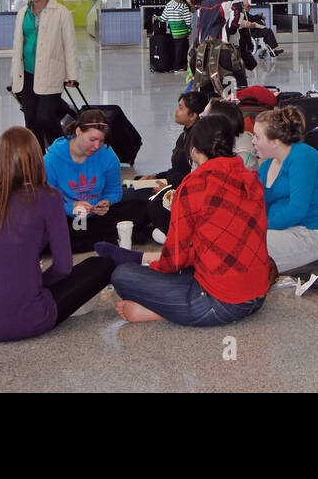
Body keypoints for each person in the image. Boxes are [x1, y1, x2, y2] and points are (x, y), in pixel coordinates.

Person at [103, 115, 271, 328]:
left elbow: (174, 260)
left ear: (193, 150)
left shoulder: (195, 185)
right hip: (258, 294)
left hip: (220, 303)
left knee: (123, 275)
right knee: (191, 268)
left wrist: (153, 270)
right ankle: (172, 300)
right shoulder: (251, 179)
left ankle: (161, 311)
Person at [0, 127, 116, 342]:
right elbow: (63, 267)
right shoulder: (48, 197)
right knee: (101, 265)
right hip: (23, 320)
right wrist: (37, 281)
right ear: (37, 158)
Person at [44, 109, 152, 251]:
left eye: (101, 141)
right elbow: (48, 201)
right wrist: (72, 207)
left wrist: (107, 202)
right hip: (68, 217)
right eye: (92, 140)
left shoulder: (108, 156)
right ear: (78, 131)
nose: (97, 146)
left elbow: (114, 191)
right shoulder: (52, 160)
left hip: (98, 216)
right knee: (45, 229)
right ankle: (118, 237)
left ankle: (95, 239)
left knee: (144, 208)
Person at [252, 107, 318, 272]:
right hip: (282, 231)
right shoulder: (267, 165)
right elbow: (258, 205)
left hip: (313, 233)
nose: (253, 141)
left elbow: (297, 209)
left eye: (257, 136)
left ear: (274, 141)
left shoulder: (303, 157)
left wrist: (261, 226)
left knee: (246, 245)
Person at [9, 0, 78, 152]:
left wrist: (72, 75)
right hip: (26, 74)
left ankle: (60, 153)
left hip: (51, 72)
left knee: (46, 117)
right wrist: (14, 76)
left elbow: (69, 45)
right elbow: (18, 47)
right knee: (31, 119)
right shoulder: (23, 13)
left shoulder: (61, 13)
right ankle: (38, 159)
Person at [161, 0, 193, 72]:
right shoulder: (183, 6)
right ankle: (180, 66)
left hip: (173, 31)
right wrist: (189, 31)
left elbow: (163, 18)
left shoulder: (169, 4)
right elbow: (187, 20)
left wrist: (157, 18)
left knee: (176, 48)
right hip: (182, 31)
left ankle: (175, 65)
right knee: (183, 49)